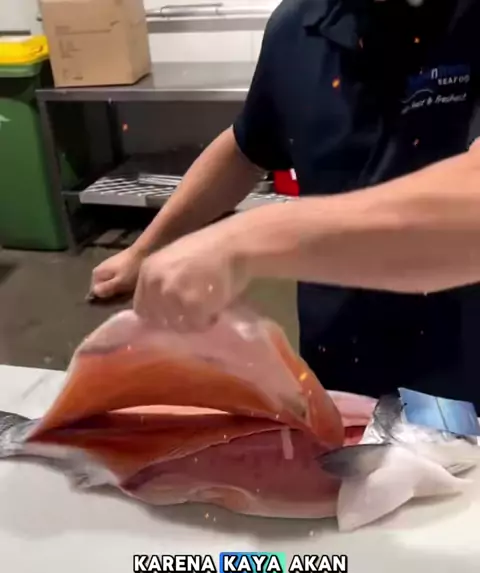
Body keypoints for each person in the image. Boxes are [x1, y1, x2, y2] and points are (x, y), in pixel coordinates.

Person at [91, 0, 480, 408]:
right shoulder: (298, 27)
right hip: (338, 349)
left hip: (458, 356)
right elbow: (246, 150)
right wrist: (145, 249)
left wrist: (243, 241)